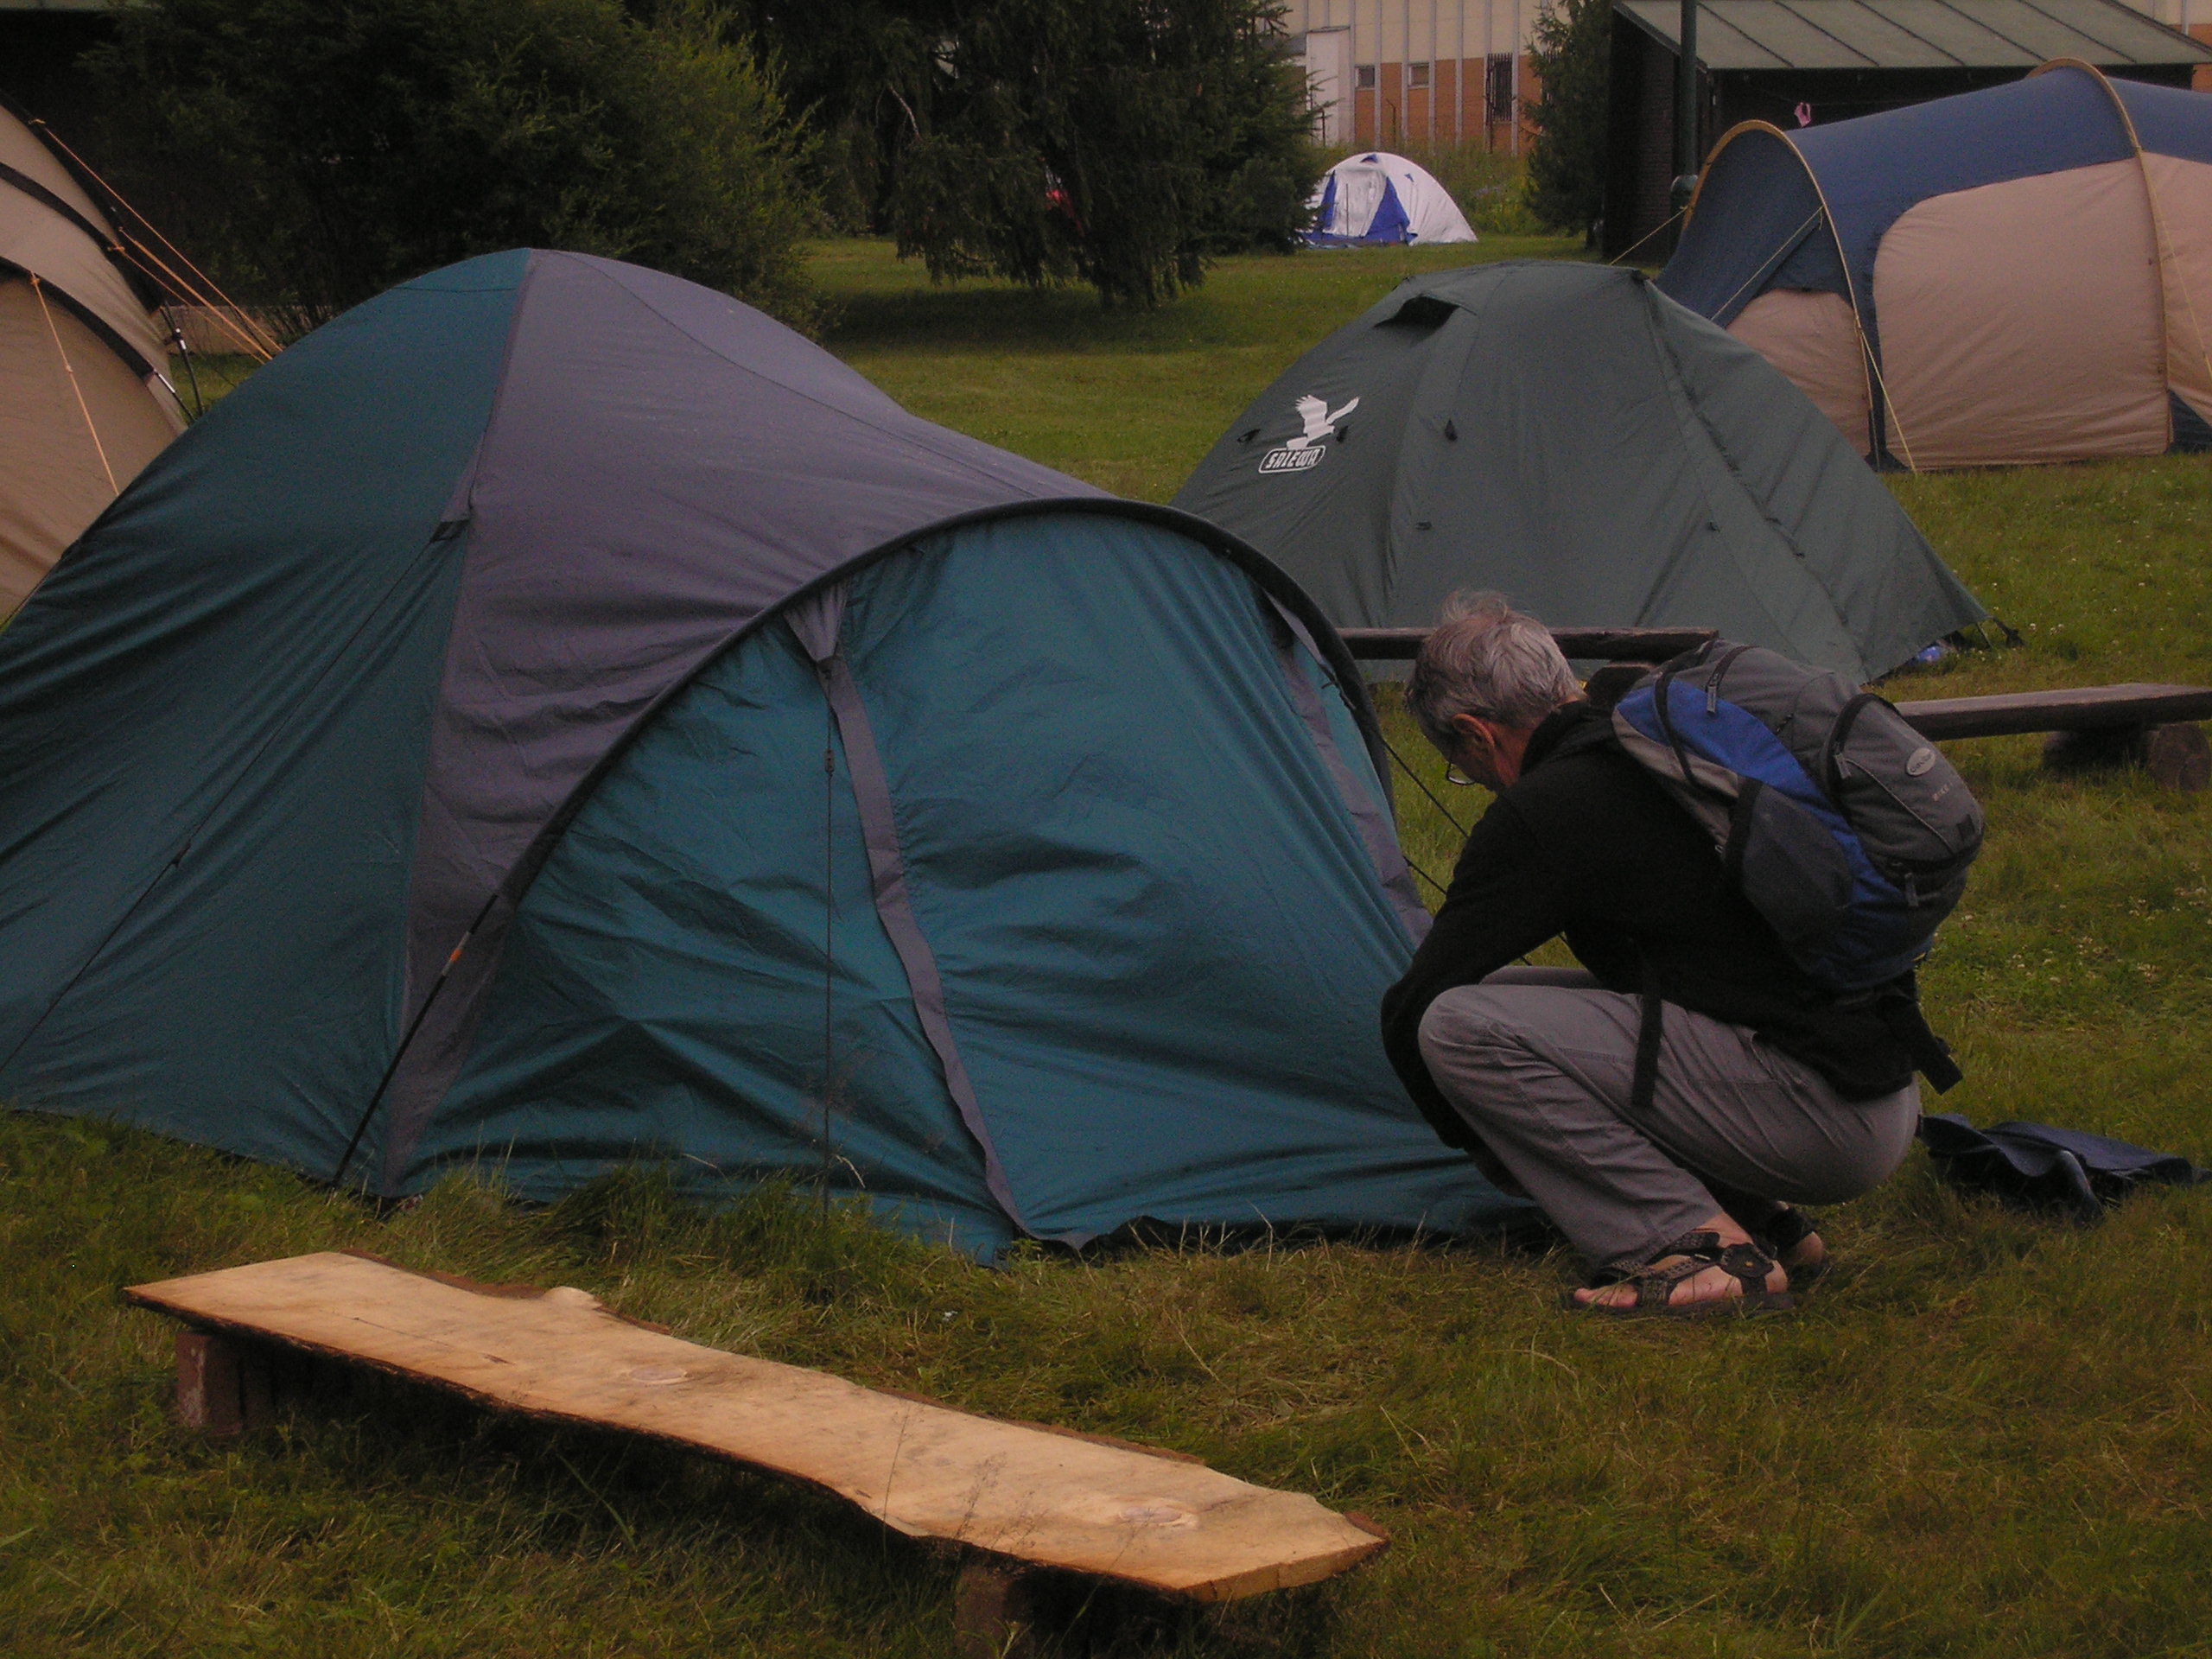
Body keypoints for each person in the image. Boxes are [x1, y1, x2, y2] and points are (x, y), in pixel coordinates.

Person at [1380, 592, 1938, 1316]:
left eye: (1461, 765)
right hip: (1872, 1085)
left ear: (1474, 733)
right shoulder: (1657, 745)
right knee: (1506, 999)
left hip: (1818, 1120)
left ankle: (1697, 1252)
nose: (1474, 781)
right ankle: (1772, 1228)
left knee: (1458, 1028)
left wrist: (1500, 1149)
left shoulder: (1548, 807)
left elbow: (1417, 1006)